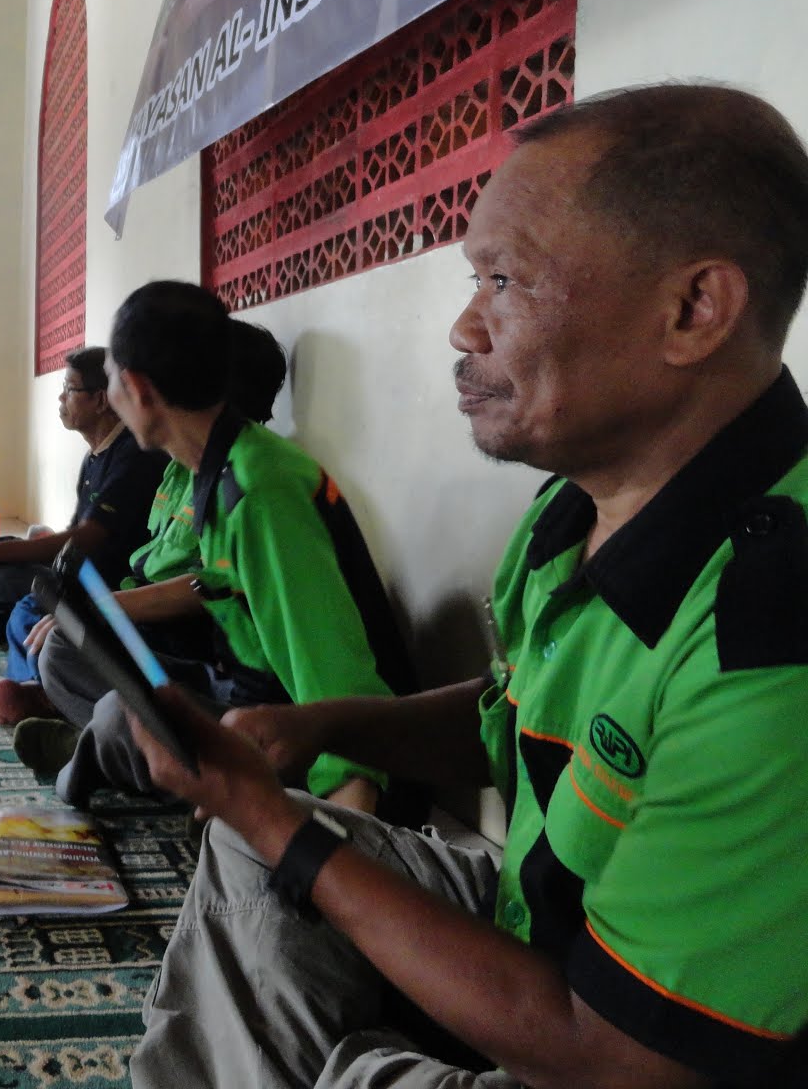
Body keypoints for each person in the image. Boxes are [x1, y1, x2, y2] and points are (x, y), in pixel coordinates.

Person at [126, 84, 808, 1088]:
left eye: (503, 281)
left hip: (637, 1047)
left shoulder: (770, 628)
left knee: (356, 1060)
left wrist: (272, 817)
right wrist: (319, 729)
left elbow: (618, 1061)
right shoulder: (567, 518)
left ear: (692, 309)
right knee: (248, 868)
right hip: (545, 927)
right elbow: (506, 723)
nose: (461, 327)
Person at [18, 282, 416, 820]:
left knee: (119, 718)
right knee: (82, 661)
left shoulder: (260, 491)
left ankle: (128, 762)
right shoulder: (222, 464)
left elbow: (334, 682)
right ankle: (114, 755)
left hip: (290, 728)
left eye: (107, 379)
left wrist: (347, 837)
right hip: (241, 688)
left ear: (135, 389)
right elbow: (229, 588)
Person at [0, 324, 284, 728]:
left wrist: (100, 610)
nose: (143, 396)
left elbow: (212, 587)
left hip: (200, 654)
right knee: (42, 616)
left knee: (60, 640)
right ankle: (78, 716)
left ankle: (91, 729)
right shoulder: (180, 469)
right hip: (147, 616)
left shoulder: (253, 480)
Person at [0, 345, 167, 648]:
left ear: (100, 399)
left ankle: (1, 619)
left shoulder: (133, 455)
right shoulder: (95, 455)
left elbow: (86, 538)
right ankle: (0, 617)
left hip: (105, 585)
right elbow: (72, 536)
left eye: (70, 389)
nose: (61, 398)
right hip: (74, 569)